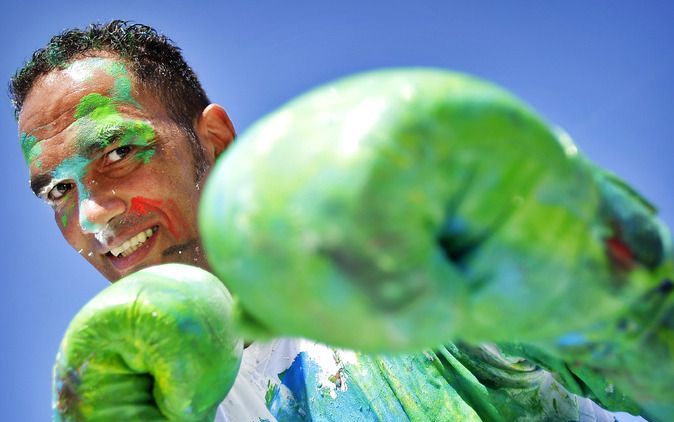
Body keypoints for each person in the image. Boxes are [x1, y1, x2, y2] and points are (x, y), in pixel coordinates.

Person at [11, 21, 669, 421]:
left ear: (212, 143)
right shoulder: (144, 397)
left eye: (120, 153)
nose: (92, 216)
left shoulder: (393, 281)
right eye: (56, 191)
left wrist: (611, 299)